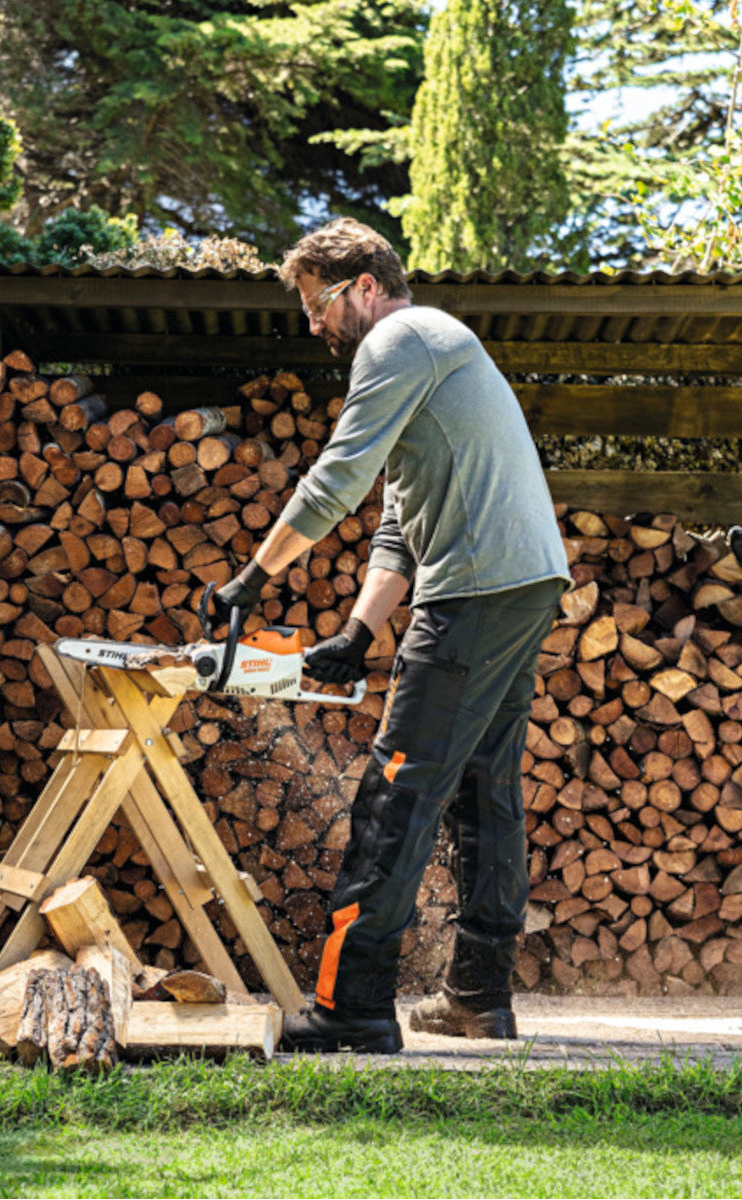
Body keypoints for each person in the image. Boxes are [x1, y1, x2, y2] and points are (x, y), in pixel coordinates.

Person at [210, 218, 571, 1053]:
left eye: (318, 302)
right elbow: (400, 522)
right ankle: (482, 997)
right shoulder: (434, 350)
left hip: (476, 592)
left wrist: (251, 580)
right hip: (521, 583)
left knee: (396, 789)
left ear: (365, 285)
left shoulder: (401, 338)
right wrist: (357, 630)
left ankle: (353, 1006)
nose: (312, 323)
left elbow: (340, 475)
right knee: (485, 789)